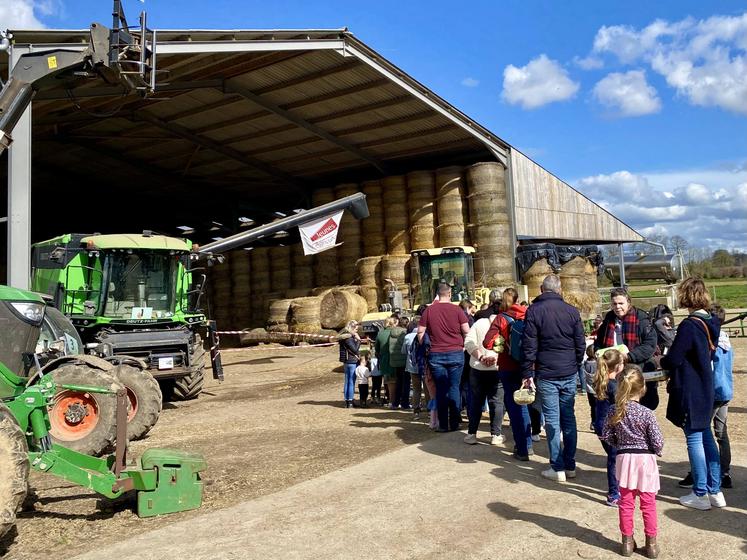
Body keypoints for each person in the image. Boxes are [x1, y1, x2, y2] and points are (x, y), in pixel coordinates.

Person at [662, 278, 725, 510]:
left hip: (690, 388)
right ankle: (715, 490)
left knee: (694, 439)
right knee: (706, 438)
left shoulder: (690, 324)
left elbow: (674, 358)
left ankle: (700, 492)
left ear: (686, 296)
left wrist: (663, 360)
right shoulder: (711, 321)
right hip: (705, 387)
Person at [520, 274, 585, 482]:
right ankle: (570, 464)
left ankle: (557, 467)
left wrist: (527, 373)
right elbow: (580, 343)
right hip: (568, 370)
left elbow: (529, 346)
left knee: (553, 420)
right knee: (569, 418)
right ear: (560, 289)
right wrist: (574, 364)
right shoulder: (572, 311)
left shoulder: (534, 311)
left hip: (546, 372)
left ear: (541, 289)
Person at [601, 365, 664, 559]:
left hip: (624, 459)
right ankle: (651, 544)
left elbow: (606, 435)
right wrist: (656, 451)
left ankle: (626, 543)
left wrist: (619, 445)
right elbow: (658, 441)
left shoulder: (614, 410)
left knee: (626, 503)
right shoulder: (647, 413)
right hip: (645, 459)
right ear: (643, 388)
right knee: (648, 503)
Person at [678, 303, 734, 490]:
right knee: (719, 434)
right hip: (725, 391)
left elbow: (711, 368)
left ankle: (699, 478)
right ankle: (723, 474)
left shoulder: (709, 338)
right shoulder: (725, 340)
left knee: (701, 435)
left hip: (712, 391)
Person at [482, 288, 533, 460]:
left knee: (513, 409)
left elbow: (487, 342)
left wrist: (500, 343)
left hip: (507, 366)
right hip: (527, 366)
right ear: (518, 299)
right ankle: (529, 444)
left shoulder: (501, 318)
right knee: (524, 405)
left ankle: (522, 449)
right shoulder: (528, 314)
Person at [594, 288, 658, 410]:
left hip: (637, 369)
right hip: (613, 372)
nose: (617, 307)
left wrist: (629, 356)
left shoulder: (641, 319)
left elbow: (650, 345)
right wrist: (599, 352)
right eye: (614, 304)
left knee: (641, 408)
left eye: (621, 303)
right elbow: (599, 342)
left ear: (628, 302)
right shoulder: (608, 320)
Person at [418, 282, 470, 432]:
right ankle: (454, 423)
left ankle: (442, 424)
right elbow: (467, 332)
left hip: (436, 355)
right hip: (456, 353)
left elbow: (420, 333)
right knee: (454, 388)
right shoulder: (458, 310)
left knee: (440, 389)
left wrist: (427, 346)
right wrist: (463, 347)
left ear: (438, 293)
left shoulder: (428, 311)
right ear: (449, 293)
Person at [463, 301, 504, 447]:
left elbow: (468, 342)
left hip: (477, 368)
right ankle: (496, 435)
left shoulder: (479, 323)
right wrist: (494, 358)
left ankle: (471, 433)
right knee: (497, 402)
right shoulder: (506, 323)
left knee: (475, 401)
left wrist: (480, 356)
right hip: (497, 368)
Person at [593, 348, 626, 507]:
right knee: (614, 458)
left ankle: (618, 487)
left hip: (601, 425)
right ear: (618, 366)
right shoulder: (613, 386)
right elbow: (620, 408)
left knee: (615, 457)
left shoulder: (602, 381)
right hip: (611, 427)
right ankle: (614, 493)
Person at [338, 320, 361, 408]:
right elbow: (355, 349)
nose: (356, 331)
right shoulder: (349, 338)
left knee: (347, 381)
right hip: (351, 361)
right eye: (356, 329)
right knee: (351, 381)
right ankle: (350, 401)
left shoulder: (343, 337)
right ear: (351, 328)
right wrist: (358, 340)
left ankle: (347, 400)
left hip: (346, 361)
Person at [374, 317, 396, 407]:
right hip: (396, 359)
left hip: (385, 360)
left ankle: (390, 399)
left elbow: (377, 349)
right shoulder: (396, 332)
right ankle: (394, 400)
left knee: (388, 381)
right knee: (396, 381)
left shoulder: (380, 334)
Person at [388, 316, 410, 409]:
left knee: (398, 382)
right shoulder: (405, 333)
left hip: (395, 361)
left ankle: (395, 403)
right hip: (404, 361)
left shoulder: (391, 332)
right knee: (406, 383)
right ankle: (405, 403)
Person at [583, 345, 598, 430]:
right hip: (597, 389)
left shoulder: (586, 363)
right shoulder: (597, 364)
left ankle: (593, 422)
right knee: (598, 407)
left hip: (589, 389)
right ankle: (596, 423)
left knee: (592, 407)